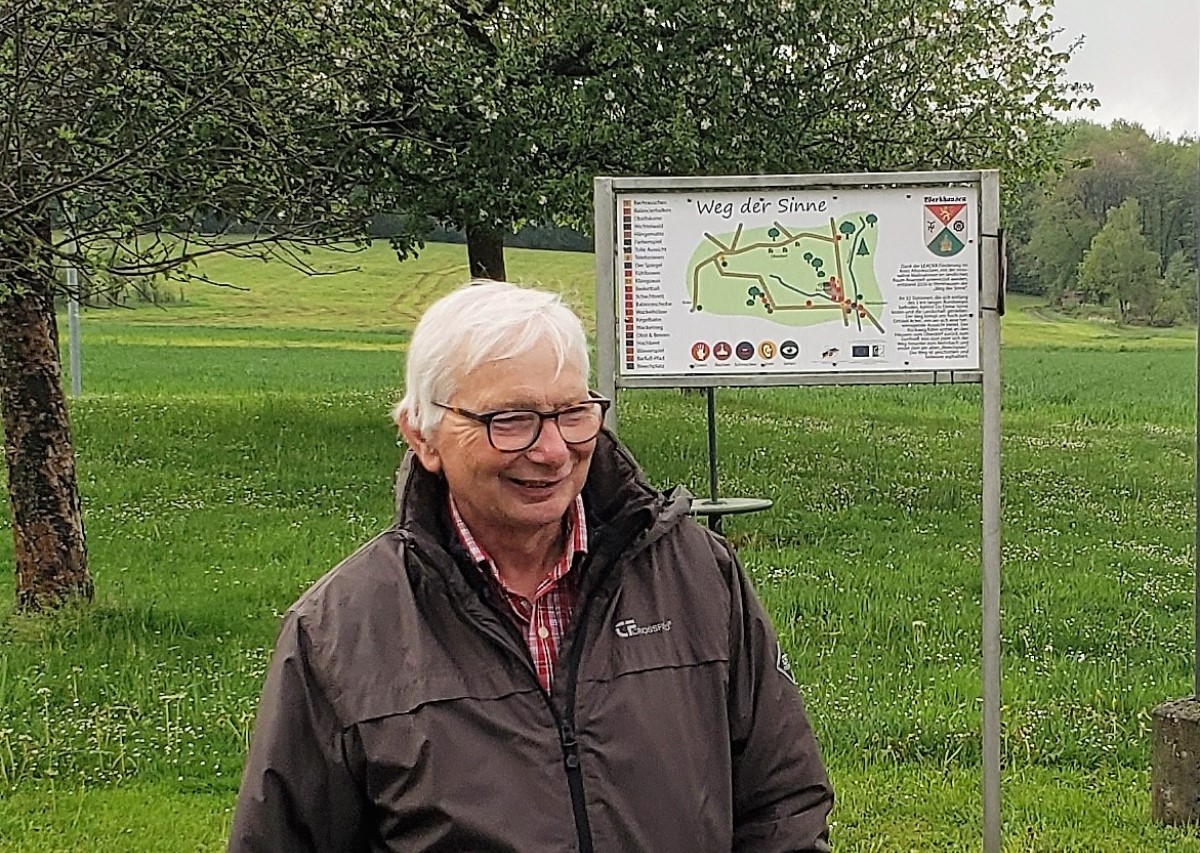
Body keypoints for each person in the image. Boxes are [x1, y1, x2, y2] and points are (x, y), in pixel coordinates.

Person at [228, 281, 833, 852]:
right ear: (424, 436)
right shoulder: (339, 632)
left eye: (572, 413)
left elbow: (782, 803)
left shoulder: (699, 576)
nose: (550, 452)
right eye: (508, 421)